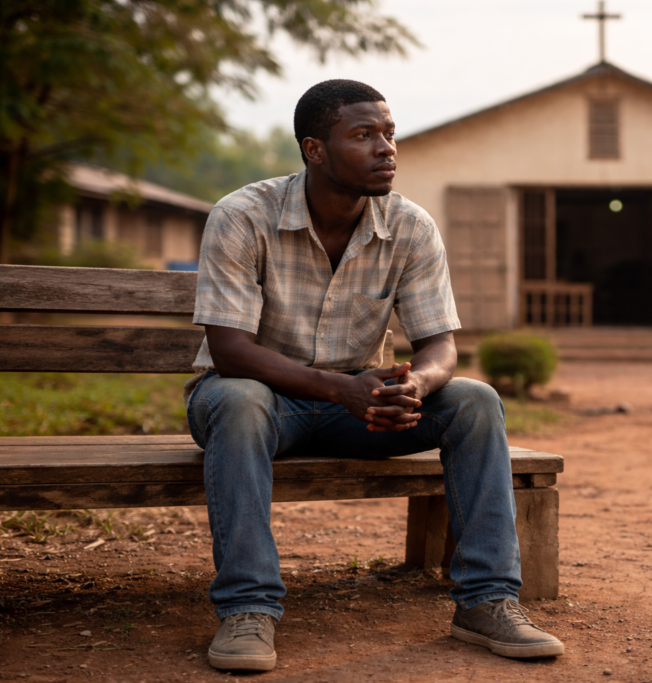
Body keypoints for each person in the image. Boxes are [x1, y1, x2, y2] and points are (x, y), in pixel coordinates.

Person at [184, 79, 564, 672]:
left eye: (389, 133)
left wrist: (416, 385)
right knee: (238, 400)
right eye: (363, 135)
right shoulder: (242, 216)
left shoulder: (410, 226)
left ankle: (487, 601)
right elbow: (230, 350)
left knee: (474, 401)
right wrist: (341, 387)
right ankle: (247, 609)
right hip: (259, 406)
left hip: (353, 408)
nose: (386, 148)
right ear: (314, 150)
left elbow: (440, 345)